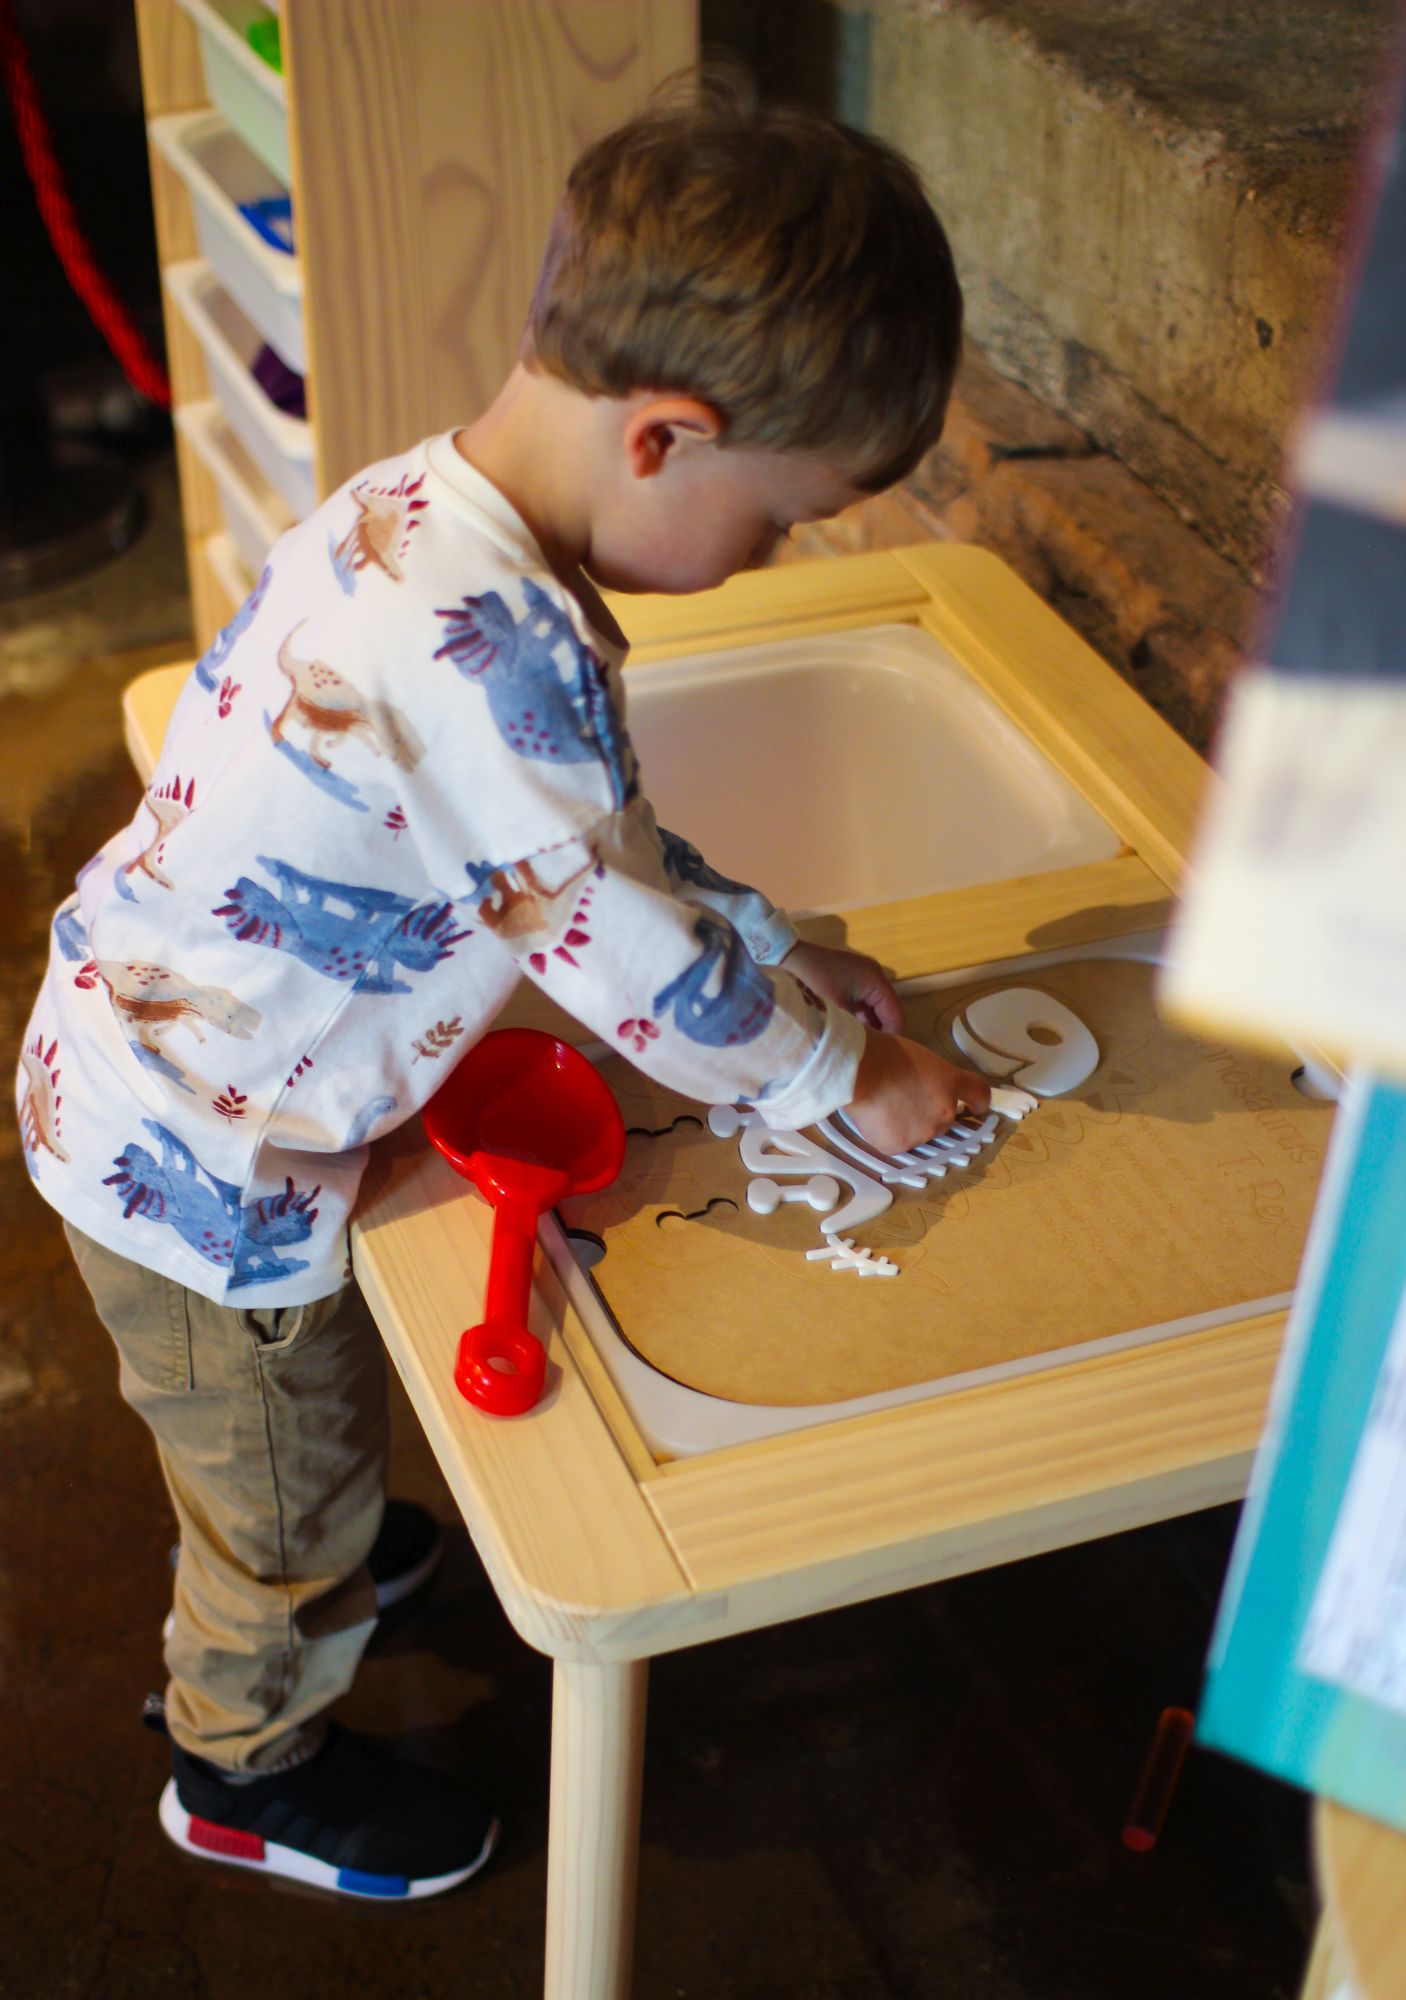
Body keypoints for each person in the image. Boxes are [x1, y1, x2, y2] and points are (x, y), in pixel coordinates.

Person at [15, 71, 989, 1902]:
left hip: (174, 1073)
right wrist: (834, 1086)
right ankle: (243, 1758)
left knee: (288, 1433)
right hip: (205, 1166)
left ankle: (322, 1536)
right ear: (665, 440)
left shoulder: (440, 520)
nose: (767, 559)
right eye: (778, 519)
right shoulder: (475, 643)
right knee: (264, 1485)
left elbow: (600, 833)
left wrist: (779, 954)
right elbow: (605, 943)